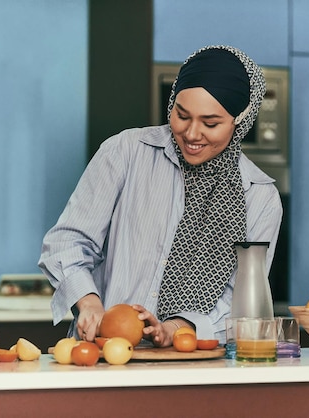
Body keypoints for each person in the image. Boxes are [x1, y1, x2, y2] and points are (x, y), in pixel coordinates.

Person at [38, 45, 283, 347]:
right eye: (182, 115)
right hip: (102, 359)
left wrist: (177, 329)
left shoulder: (260, 197)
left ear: (241, 120)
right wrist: (89, 304)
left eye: (211, 123)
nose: (192, 134)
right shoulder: (125, 152)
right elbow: (67, 243)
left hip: (195, 370)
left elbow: (243, 301)